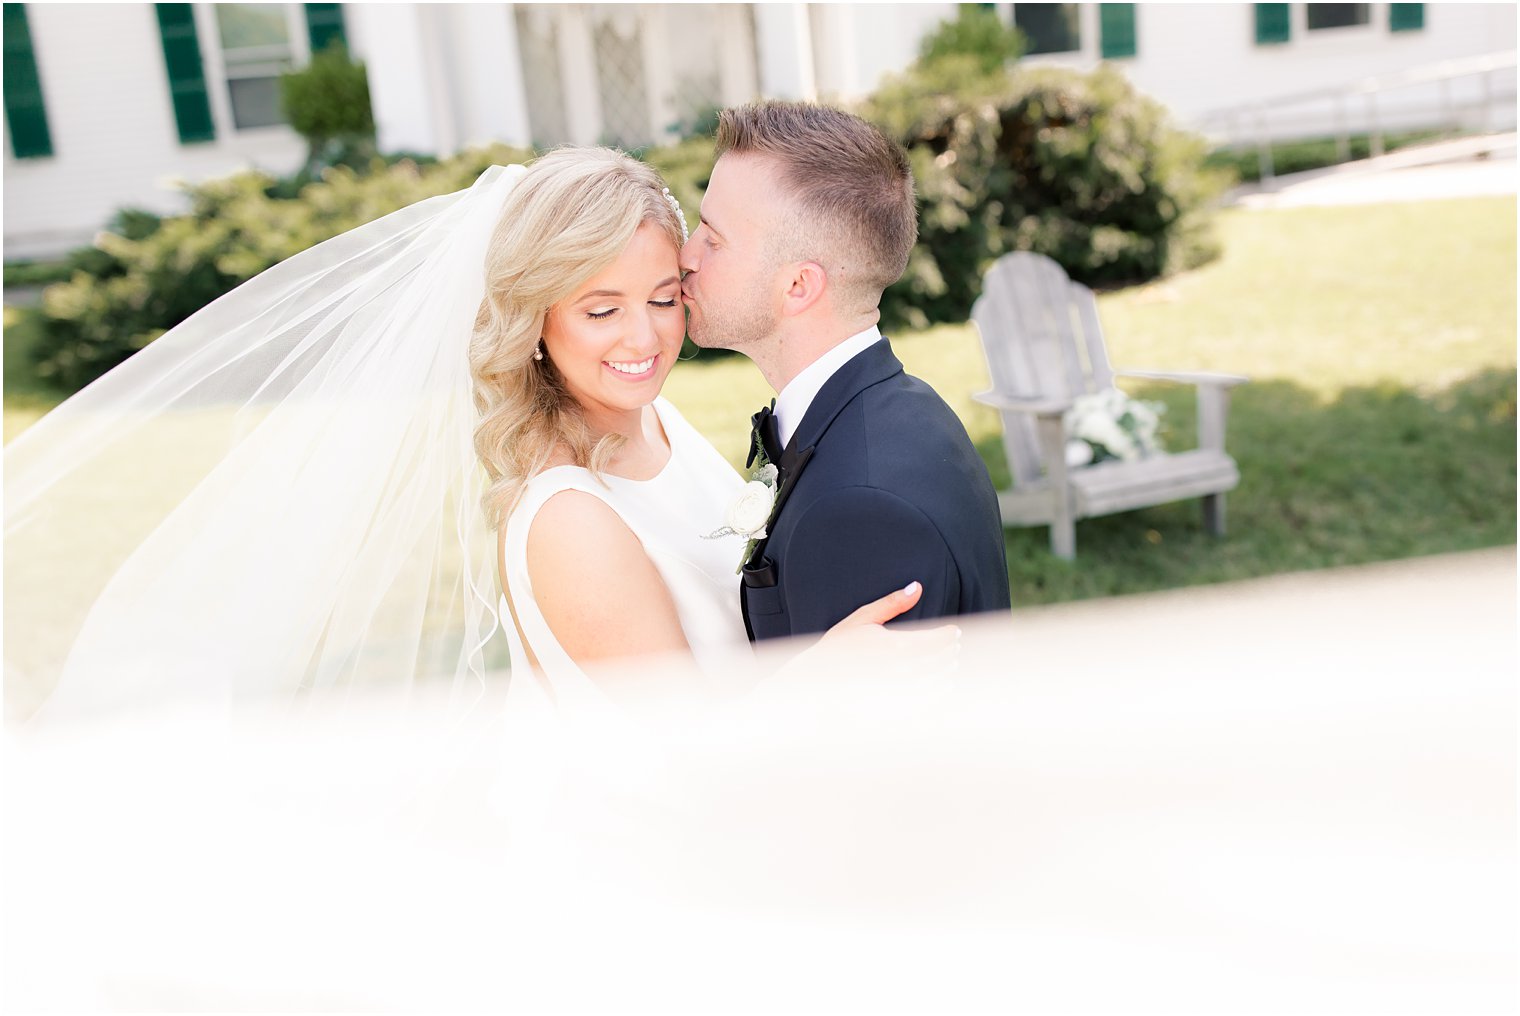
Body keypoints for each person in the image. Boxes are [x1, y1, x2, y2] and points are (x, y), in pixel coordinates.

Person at [3, 148, 928, 722]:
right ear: (536, 322)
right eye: (600, 309)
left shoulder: (656, 420)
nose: (643, 339)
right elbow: (690, 763)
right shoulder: (570, 517)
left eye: (661, 298)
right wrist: (816, 683)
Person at [679, 102, 1011, 641]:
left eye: (713, 239)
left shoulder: (859, 509)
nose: (686, 255)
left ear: (798, 286)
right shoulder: (904, 408)